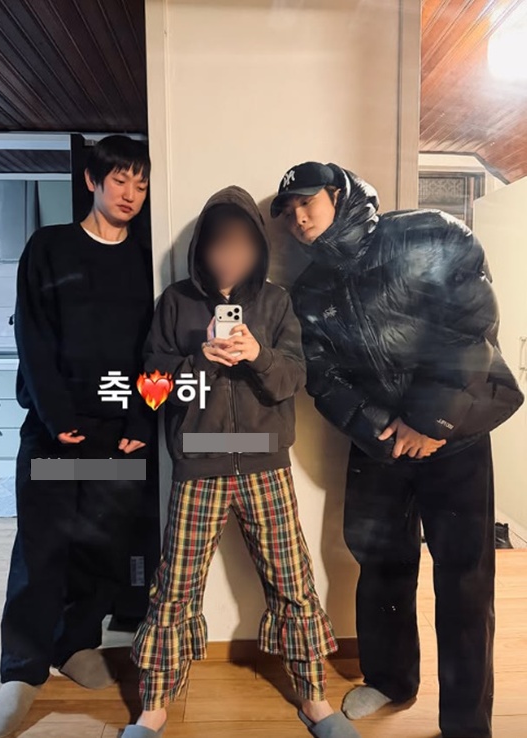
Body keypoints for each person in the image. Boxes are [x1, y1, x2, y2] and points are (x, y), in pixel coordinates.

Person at [271, 162, 524, 738]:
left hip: (456, 438)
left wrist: (429, 421)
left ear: (337, 193)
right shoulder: (309, 291)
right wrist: (385, 428)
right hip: (379, 445)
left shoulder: (429, 233)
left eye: (307, 202)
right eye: (288, 212)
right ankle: (389, 679)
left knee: (464, 580)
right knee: (380, 563)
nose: (298, 219)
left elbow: (470, 327)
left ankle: (466, 723)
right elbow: (323, 378)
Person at [120, 186, 361, 738]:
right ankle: (154, 706)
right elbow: (153, 390)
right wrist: (199, 359)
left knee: (293, 581)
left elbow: (292, 379)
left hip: (264, 465)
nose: (230, 255)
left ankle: (314, 698)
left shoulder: (276, 302)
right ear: (202, 248)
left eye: (242, 244)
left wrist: (257, 355)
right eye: (219, 244)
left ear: (257, 247)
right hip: (198, 467)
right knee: (174, 589)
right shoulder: (176, 301)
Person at [0, 136, 156, 738]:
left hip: (120, 435)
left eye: (140, 184)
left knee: (101, 543)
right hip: (55, 432)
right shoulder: (49, 246)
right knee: (42, 544)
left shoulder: (147, 258)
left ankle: (76, 641)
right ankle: (23, 669)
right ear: (92, 181)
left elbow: (157, 350)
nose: (130, 194)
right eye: (120, 180)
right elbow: (33, 336)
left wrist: (140, 421)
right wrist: (58, 418)